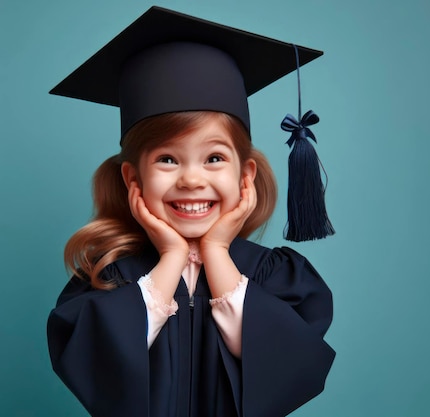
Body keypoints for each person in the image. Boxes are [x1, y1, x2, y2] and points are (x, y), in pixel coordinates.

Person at [46, 6, 335, 417]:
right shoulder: (109, 278)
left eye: (214, 158)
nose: (191, 180)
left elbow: (290, 370)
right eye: (167, 159)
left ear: (245, 174)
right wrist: (171, 258)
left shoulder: (277, 277)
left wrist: (217, 251)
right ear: (134, 178)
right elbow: (91, 366)